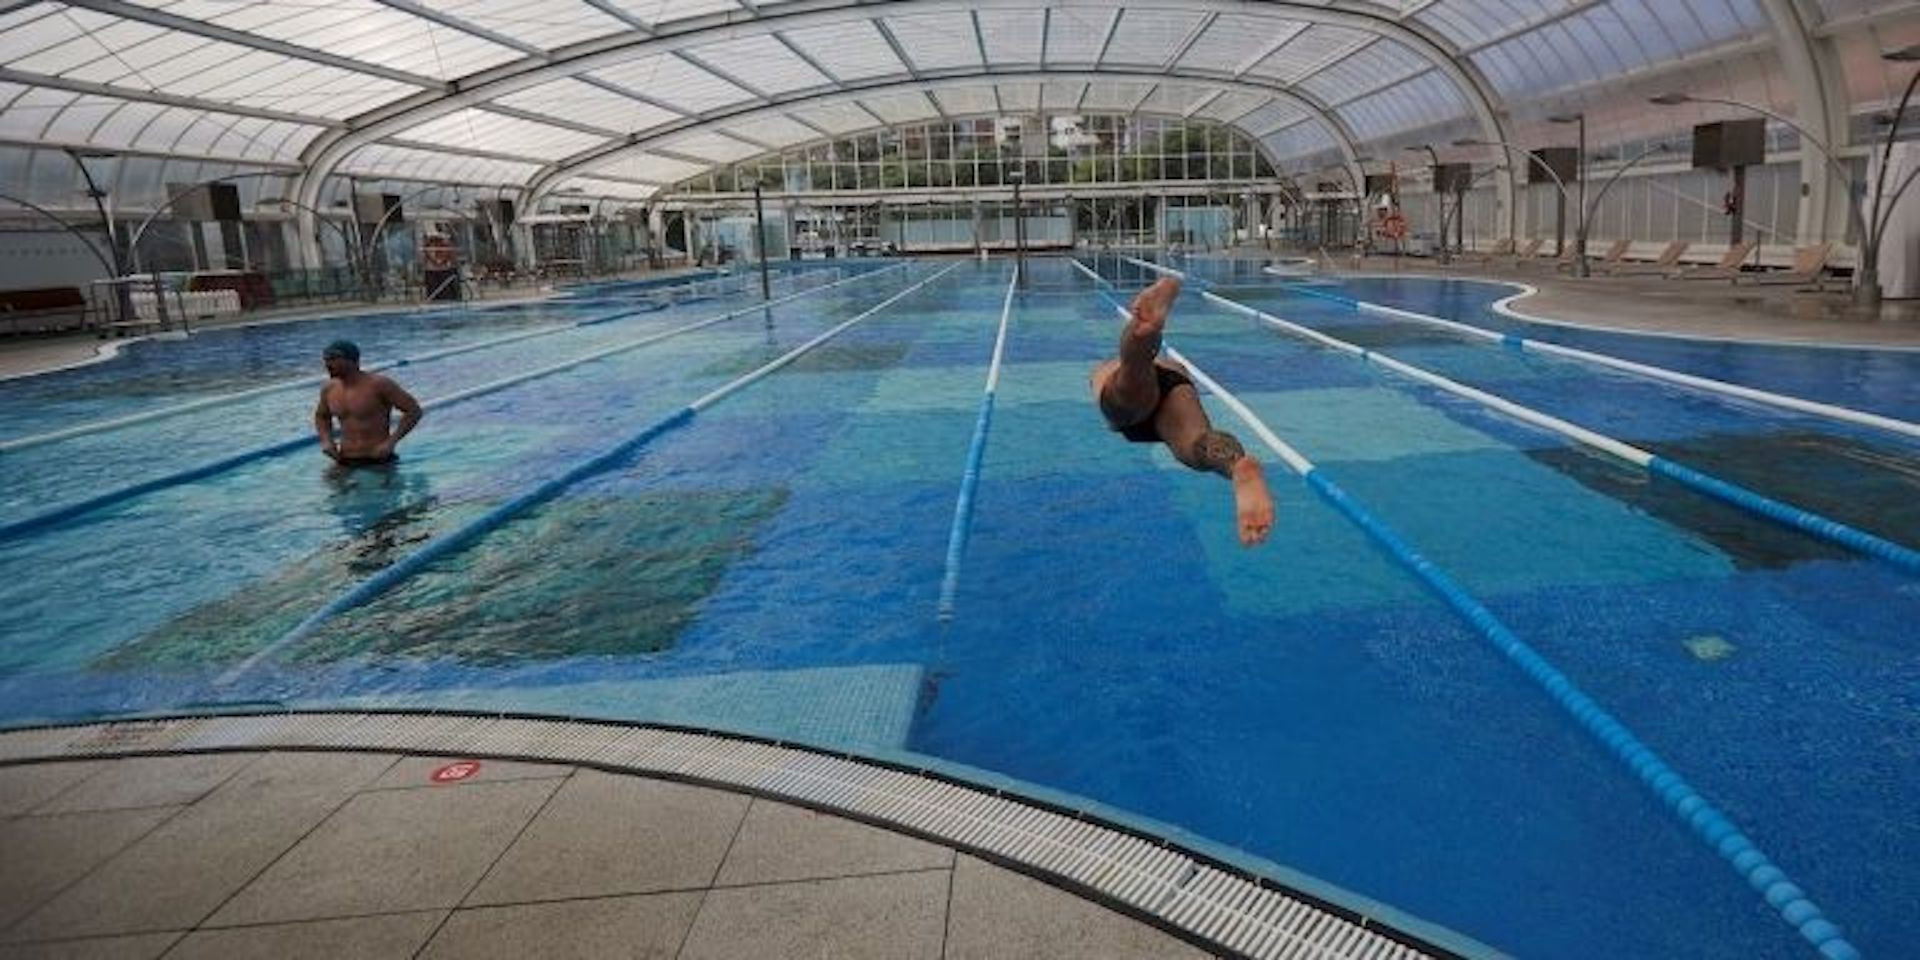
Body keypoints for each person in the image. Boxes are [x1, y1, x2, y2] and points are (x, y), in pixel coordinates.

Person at [1090, 277, 1275, 547]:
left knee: (1129, 381)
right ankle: (1236, 466)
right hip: (1174, 382)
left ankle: (1144, 331)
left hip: (1136, 389)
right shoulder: (1167, 363)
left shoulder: (1105, 369)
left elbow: (1121, 381)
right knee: (1198, 443)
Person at [314, 339, 422, 467]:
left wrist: (391, 442)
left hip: (378, 459)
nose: (327, 364)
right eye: (326, 359)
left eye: (333, 359)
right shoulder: (329, 389)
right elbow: (322, 416)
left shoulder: (379, 384)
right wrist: (326, 440)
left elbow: (414, 411)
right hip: (344, 459)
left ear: (352, 360)